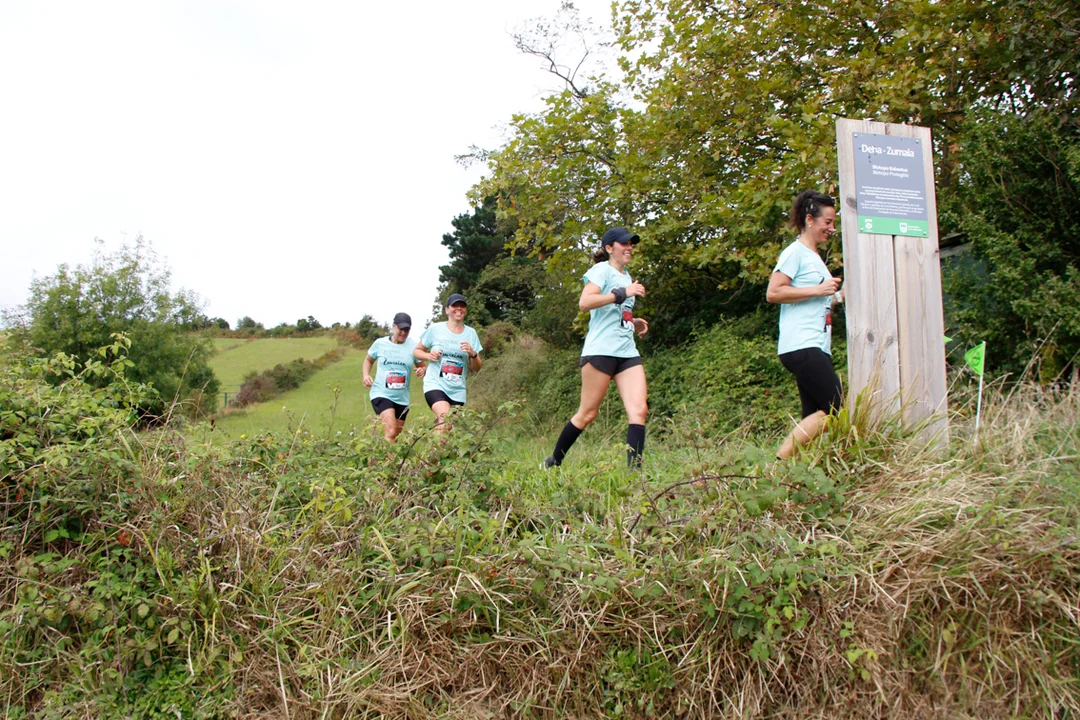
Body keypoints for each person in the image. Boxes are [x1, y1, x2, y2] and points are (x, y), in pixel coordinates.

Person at [544, 227, 650, 470]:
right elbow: (586, 302)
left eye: (631, 244)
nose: (629, 247)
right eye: (624, 243)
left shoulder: (626, 276)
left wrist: (632, 321)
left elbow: (614, 310)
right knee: (587, 414)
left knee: (639, 410)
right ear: (609, 248)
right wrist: (622, 293)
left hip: (627, 352)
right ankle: (554, 462)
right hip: (600, 351)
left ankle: (635, 478)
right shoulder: (601, 270)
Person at [766, 190, 844, 460]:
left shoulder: (814, 257)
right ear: (810, 220)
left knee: (814, 415)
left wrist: (837, 296)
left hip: (817, 345)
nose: (831, 228)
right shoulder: (795, 253)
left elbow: (819, 301)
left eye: (833, 223)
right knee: (835, 408)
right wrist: (819, 289)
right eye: (828, 222)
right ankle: (777, 464)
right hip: (802, 344)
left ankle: (792, 474)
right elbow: (774, 292)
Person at [414, 294, 483, 433]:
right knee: (445, 419)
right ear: (446, 310)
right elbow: (416, 351)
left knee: (447, 428)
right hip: (435, 384)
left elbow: (477, 367)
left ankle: (434, 446)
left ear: (465, 310)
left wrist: (472, 353)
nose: (459, 308)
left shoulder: (471, 333)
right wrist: (428, 355)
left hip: (457, 389)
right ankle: (436, 446)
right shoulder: (435, 329)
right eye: (454, 306)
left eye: (462, 306)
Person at [363, 312, 426, 442]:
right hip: (381, 393)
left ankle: (381, 454)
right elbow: (368, 360)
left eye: (407, 329)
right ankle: (386, 455)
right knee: (391, 430)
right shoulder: (380, 343)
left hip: (402, 398)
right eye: (401, 329)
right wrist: (366, 375)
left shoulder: (413, 346)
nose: (403, 332)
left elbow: (422, 365)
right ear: (393, 326)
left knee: (395, 435)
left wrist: (422, 370)